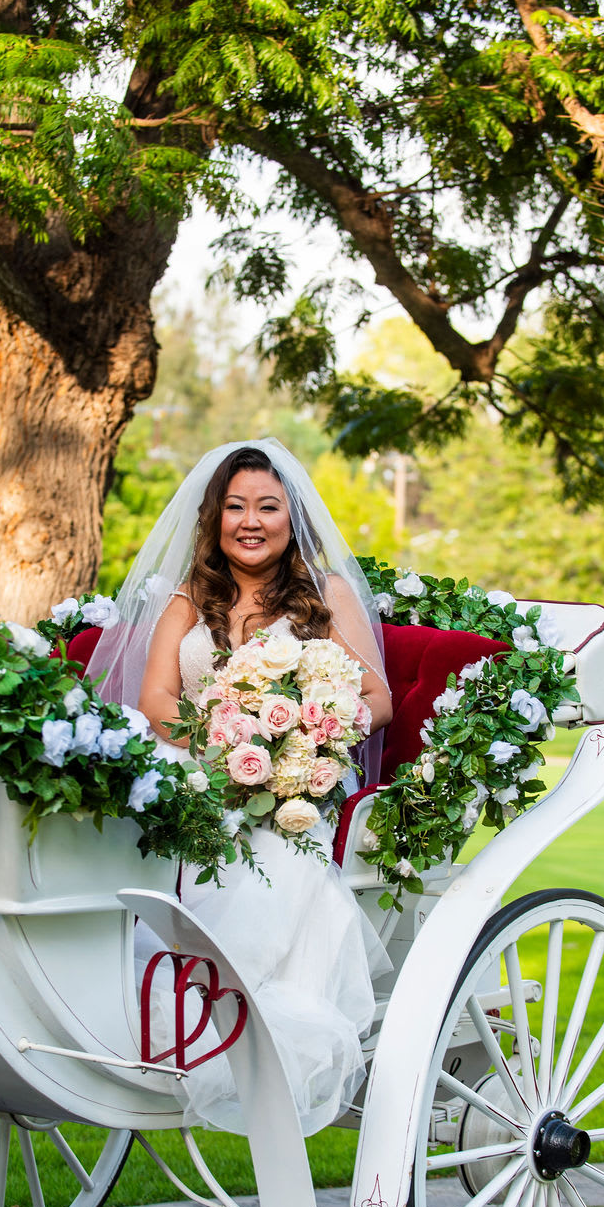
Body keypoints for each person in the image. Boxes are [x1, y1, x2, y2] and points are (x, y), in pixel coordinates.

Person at [87, 439, 393, 1135]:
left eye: (267, 506)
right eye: (235, 506)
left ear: (292, 519)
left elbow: (377, 701)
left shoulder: (325, 596)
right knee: (147, 816)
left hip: (290, 786)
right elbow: (157, 695)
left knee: (273, 850)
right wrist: (225, 736)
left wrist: (307, 730)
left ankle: (239, 1026)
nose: (250, 521)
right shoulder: (191, 597)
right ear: (214, 517)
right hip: (197, 768)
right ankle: (118, 996)